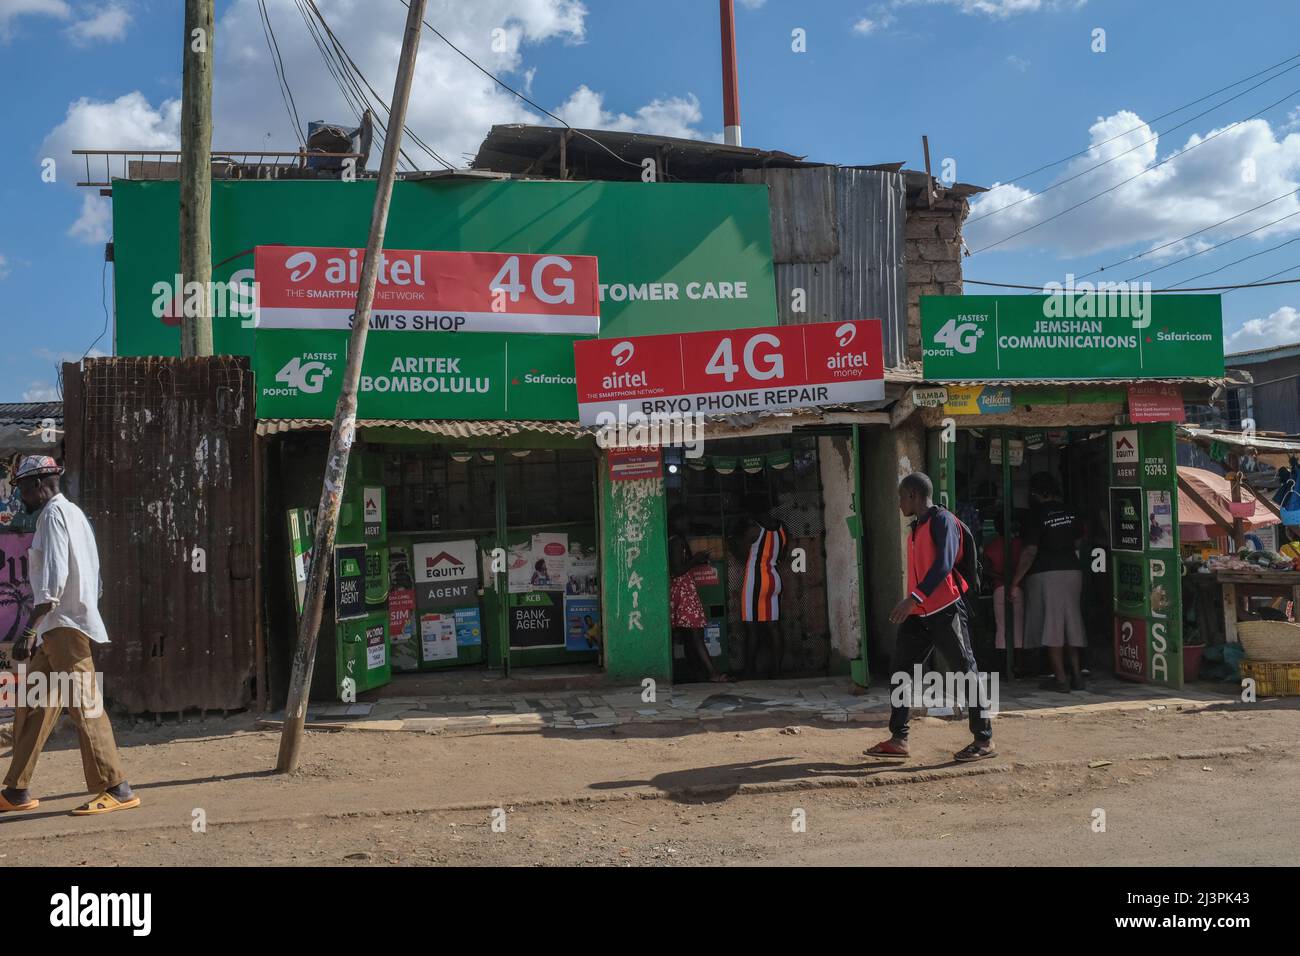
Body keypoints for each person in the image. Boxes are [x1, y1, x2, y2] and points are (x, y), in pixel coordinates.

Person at [0, 456, 140, 816]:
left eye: (21, 489)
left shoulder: (52, 516)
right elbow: (94, 574)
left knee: (85, 705)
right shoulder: (75, 514)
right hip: (56, 627)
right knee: (35, 704)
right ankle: (15, 790)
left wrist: (28, 630)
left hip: (60, 624)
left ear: (37, 484)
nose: (20, 498)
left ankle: (116, 787)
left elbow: (54, 581)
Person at [866, 472, 995, 763]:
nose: (899, 503)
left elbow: (944, 563)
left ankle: (984, 739)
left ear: (913, 495)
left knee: (965, 669)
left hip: (945, 609)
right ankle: (899, 739)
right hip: (919, 614)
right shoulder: (917, 527)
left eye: (901, 497)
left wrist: (913, 597)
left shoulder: (942, 520)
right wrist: (914, 603)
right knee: (901, 671)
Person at [1012, 471, 1087, 693]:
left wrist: (1015, 582)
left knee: (1053, 626)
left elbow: (1029, 552)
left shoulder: (1035, 515)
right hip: (1073, 571)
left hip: (1046, 573)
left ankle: (1061, 680)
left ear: (1034, 492)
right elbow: (1079, 541)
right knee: (1071, 623)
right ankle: (1076, 675)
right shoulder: (1071, 511)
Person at [668, 505, 729, 683]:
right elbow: (678, 569)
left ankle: (697, 673)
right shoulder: (676, 541)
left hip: (681, 590)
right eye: (684, 519)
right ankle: (712, 673)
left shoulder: (675, 540)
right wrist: (696, 559)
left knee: (689, 635)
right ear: (675, 522)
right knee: (695, 633)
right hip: (683, 590)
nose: (688, 523)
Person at [739, 499, 787, 680]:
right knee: (774, 626)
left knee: (751, 627)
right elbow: (782, 554)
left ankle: (749, 670)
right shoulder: (782, 529)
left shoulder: (754, 530)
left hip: (755, 581)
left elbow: (742, 553)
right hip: (774, 579)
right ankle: (777, 670)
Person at [984, 511, 1025, 671]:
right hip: (1018, 588)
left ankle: (1004, 667)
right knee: (1019, 627)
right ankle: (1020, 667)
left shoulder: (991, 546)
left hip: (999, 588)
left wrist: (1001, 577)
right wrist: (1014, 579)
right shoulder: (1020, 544)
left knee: (1001, 628)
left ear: (996, 527)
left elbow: (986, 569)